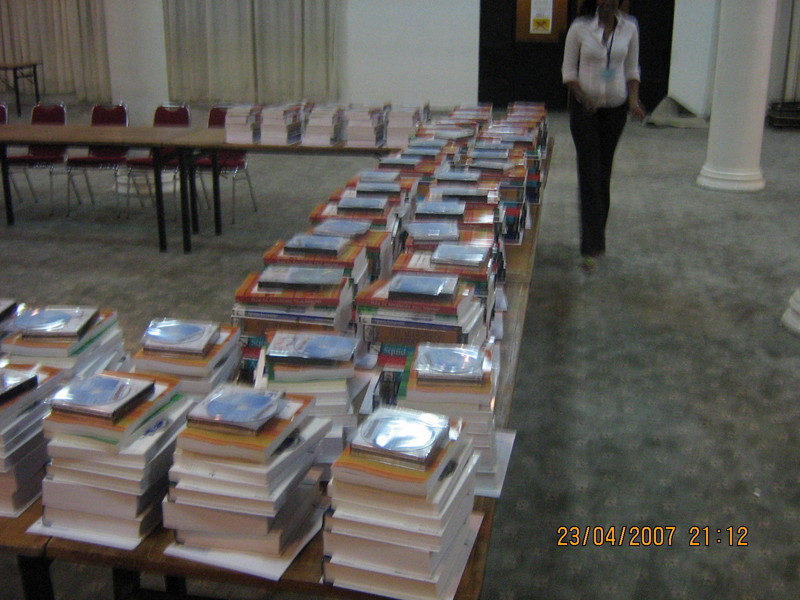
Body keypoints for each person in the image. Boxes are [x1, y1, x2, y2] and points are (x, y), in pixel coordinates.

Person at [561, 0, 646, 271]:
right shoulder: (580, 28)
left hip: (615, 110)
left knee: (603, 174)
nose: (606, 3)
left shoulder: (630, 28)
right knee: (589, 174)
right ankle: (589, 248)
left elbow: (632, 70)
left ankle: (596, 240)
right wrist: (583, 97)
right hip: (585, 110)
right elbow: (568, 73)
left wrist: (633, 102)